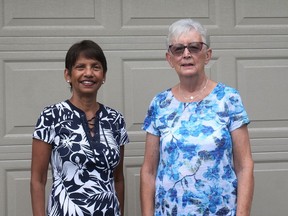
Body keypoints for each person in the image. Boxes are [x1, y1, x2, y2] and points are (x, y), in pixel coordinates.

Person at [140, 19, 254, 216]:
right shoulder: (159, 104)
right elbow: (149, 170)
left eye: (194, 47)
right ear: (169, 58)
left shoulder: (228, 99)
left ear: (207, 55)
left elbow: (245, 166)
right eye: (178, 49)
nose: (186, 54)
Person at [30, 40, 129, 216]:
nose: (88, 73)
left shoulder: (115, 119)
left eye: (96, 67)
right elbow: (38, 180)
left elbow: (118, 178)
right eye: (80, 67)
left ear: (104, 75)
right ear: (68, 74)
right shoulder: (51, 116)